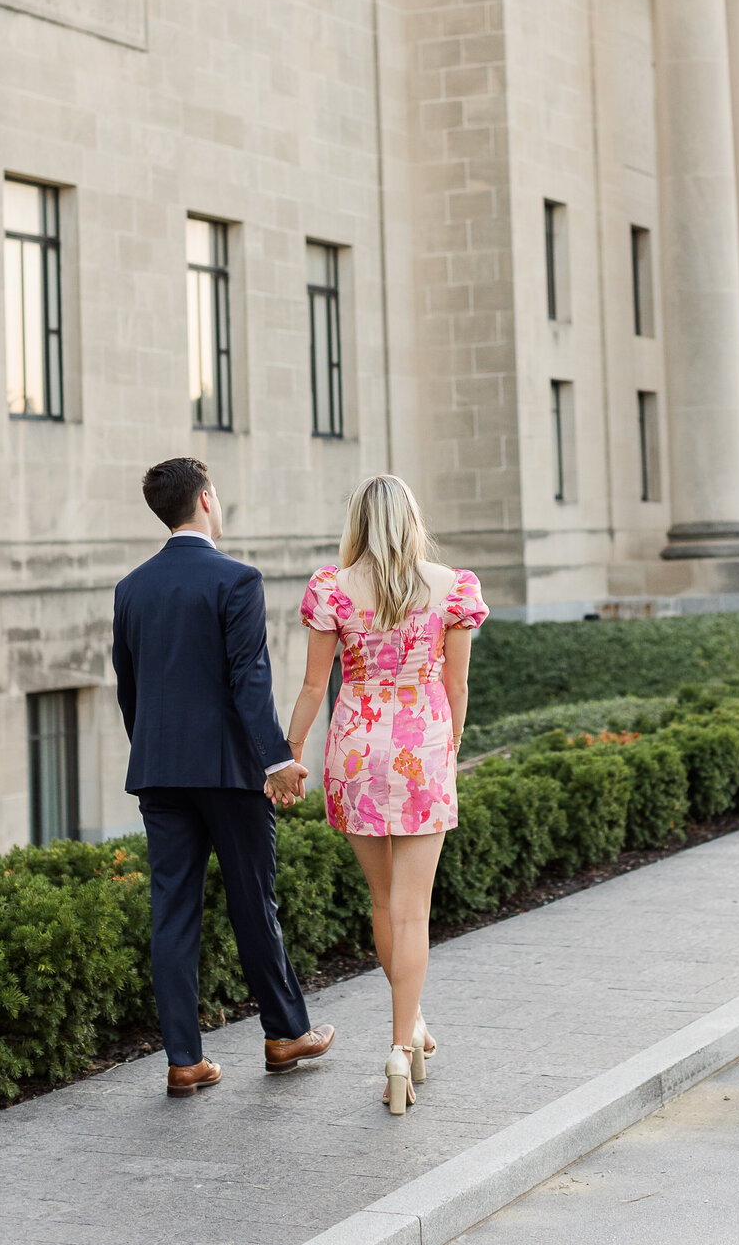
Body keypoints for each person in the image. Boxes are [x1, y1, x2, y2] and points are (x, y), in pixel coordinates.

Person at [112, 456, 335, 1097]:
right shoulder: (237, 579)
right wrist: (277, 760)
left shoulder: (131, 587)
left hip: (159, 772)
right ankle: (285, 1034)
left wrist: (156, 754)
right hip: (231, 773)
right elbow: (249, 681)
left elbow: (129, 688)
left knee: (172, 912)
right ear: (206, 499)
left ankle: (184, 1061)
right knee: (252, 902)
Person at [284, 474, 488, 1115]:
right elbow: (457, 689)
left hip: (355, 752)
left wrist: (289, 753)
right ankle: (402, 1047)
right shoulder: (452, 587)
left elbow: (313, 687)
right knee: (412, 911)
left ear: (359, 523)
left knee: (382, 901)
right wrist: (450, 745)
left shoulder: (332, 588)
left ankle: (413, 1020)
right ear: (411, 520)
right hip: (422, 750)